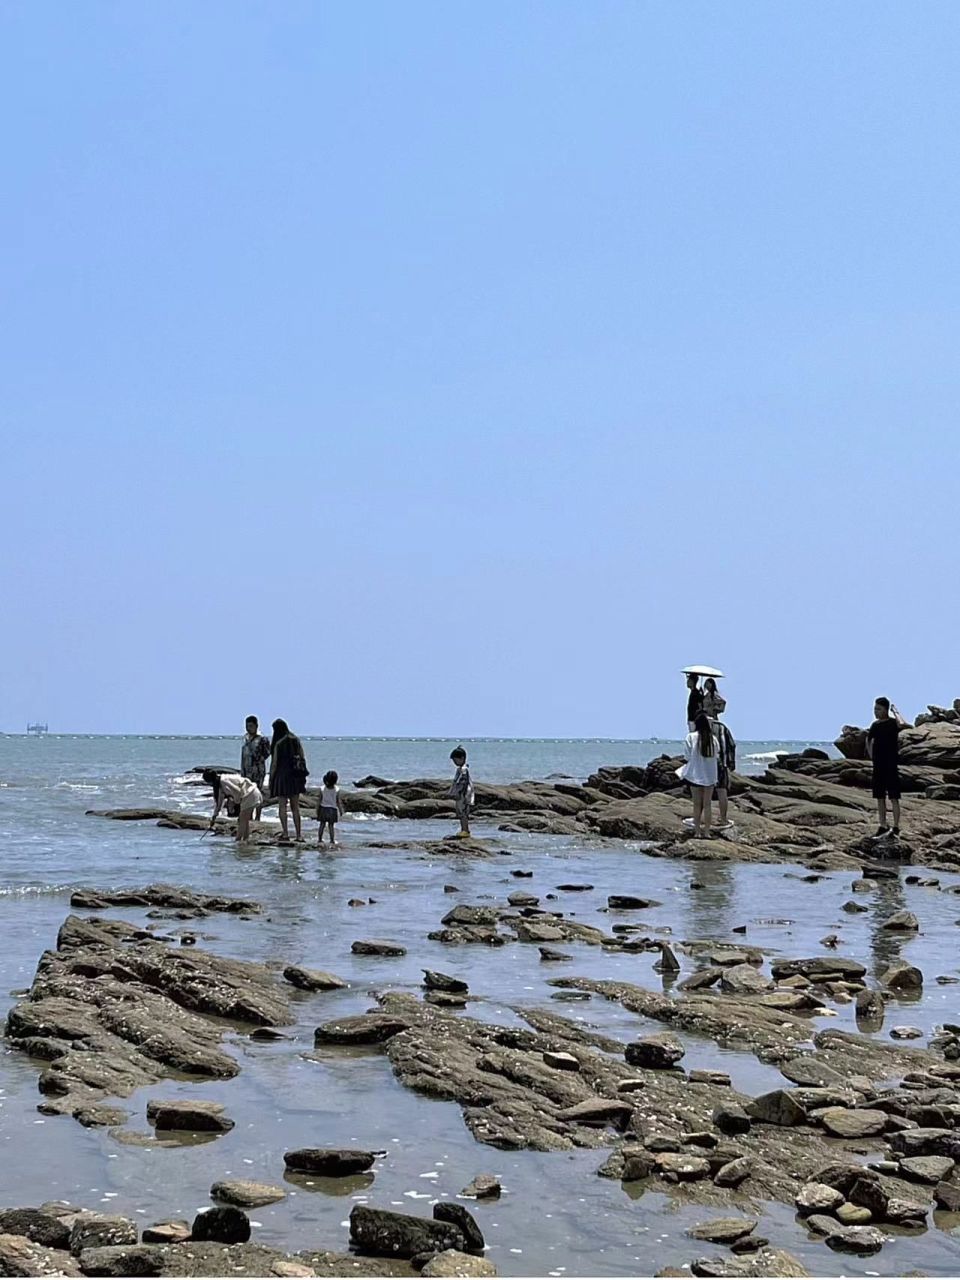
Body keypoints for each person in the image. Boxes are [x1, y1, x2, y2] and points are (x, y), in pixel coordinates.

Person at [866, 697, 907, 836]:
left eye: (879, 709)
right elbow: (869, 739)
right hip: (878, 765)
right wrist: (872, 756)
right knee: (880, 797)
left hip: (891, 764)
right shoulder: (875, 725)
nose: (876, 712)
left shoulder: (892, 723)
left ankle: (895, 827)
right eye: (875, 709)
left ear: (886, 709)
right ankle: (882, 825)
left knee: (894, 797)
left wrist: (895, 711)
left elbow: (902, 724)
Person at [677, 712, 719, 838]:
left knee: (696, 804)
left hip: (695, 774)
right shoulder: (714, 739)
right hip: (710, 775)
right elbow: (716, 755)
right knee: (707, 805)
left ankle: (697, 832)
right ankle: (707, 832)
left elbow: (687, 756)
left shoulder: (691, 737)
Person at [269, 718, 309, 842]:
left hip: (281, 776)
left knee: (282, 806)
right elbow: (302, 757)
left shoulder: (279, 743)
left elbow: (274, 763)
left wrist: (271, 778)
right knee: (295, 807)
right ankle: (298, 835)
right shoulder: (295, 739)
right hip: (295, 776)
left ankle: (285, 833)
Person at [202, 768, 261, 842]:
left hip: (250, 793)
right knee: (244, 820)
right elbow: (219, 804)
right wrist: (214, 816)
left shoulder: (224, 781)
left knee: (241, 820)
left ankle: (238, 841)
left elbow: (237, 791)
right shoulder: (220, 785)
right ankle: (246, 840)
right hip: (249, 794)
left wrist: (235, 802)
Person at [240, 715, 271, 822]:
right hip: (246, 771)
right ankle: (249, 816)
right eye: (247, 726)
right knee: (247, 794)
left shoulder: (262, 738)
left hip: (258, 771)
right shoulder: (245, 738)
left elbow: (267, 753)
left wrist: (257, 757)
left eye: (251, 726)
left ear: (256, 726)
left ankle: (258, 816)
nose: (248, 728)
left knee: (257, 793)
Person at [712, 716, 737, 829]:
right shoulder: (722, 728)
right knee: (722, 792)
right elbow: (731, 745)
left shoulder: (701, 728)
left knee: (704, 793)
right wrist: (731, 763)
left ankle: (700, 819)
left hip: (705, 766)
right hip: (722, 764)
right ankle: (723, 819)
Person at [449, 746, 475, 838]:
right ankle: (464, 830)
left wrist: (458, 793)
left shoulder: (464, 769)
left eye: (456, 760)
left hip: (463, 795)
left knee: (463, 813)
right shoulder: (461, 769)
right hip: (461, 794)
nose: (455, 763)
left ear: (462, 758)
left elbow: (463, 783)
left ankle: (465, 830)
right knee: (461, 813)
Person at [316, 769, 344, 847]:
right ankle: (332, 840)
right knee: (331, 826)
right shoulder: (337, 789)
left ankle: (319, 839)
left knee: (322, 824)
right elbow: (338, 801)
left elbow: (319, 800)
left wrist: (317, 810)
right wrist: (341, 810)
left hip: (323, 808)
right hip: (332, 809)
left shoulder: (322, 788)